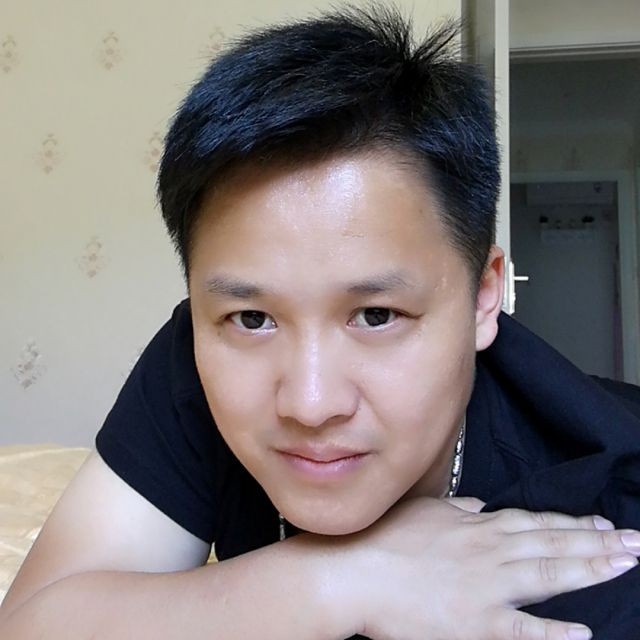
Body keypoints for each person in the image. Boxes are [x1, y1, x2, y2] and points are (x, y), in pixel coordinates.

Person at [1, 5, 639, 639]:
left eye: (376, 315)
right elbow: (34, 623)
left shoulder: (600, 528)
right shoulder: (197, 350)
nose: (309, 405)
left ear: (483, 297)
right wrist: (338, 581)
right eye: (254, 317)